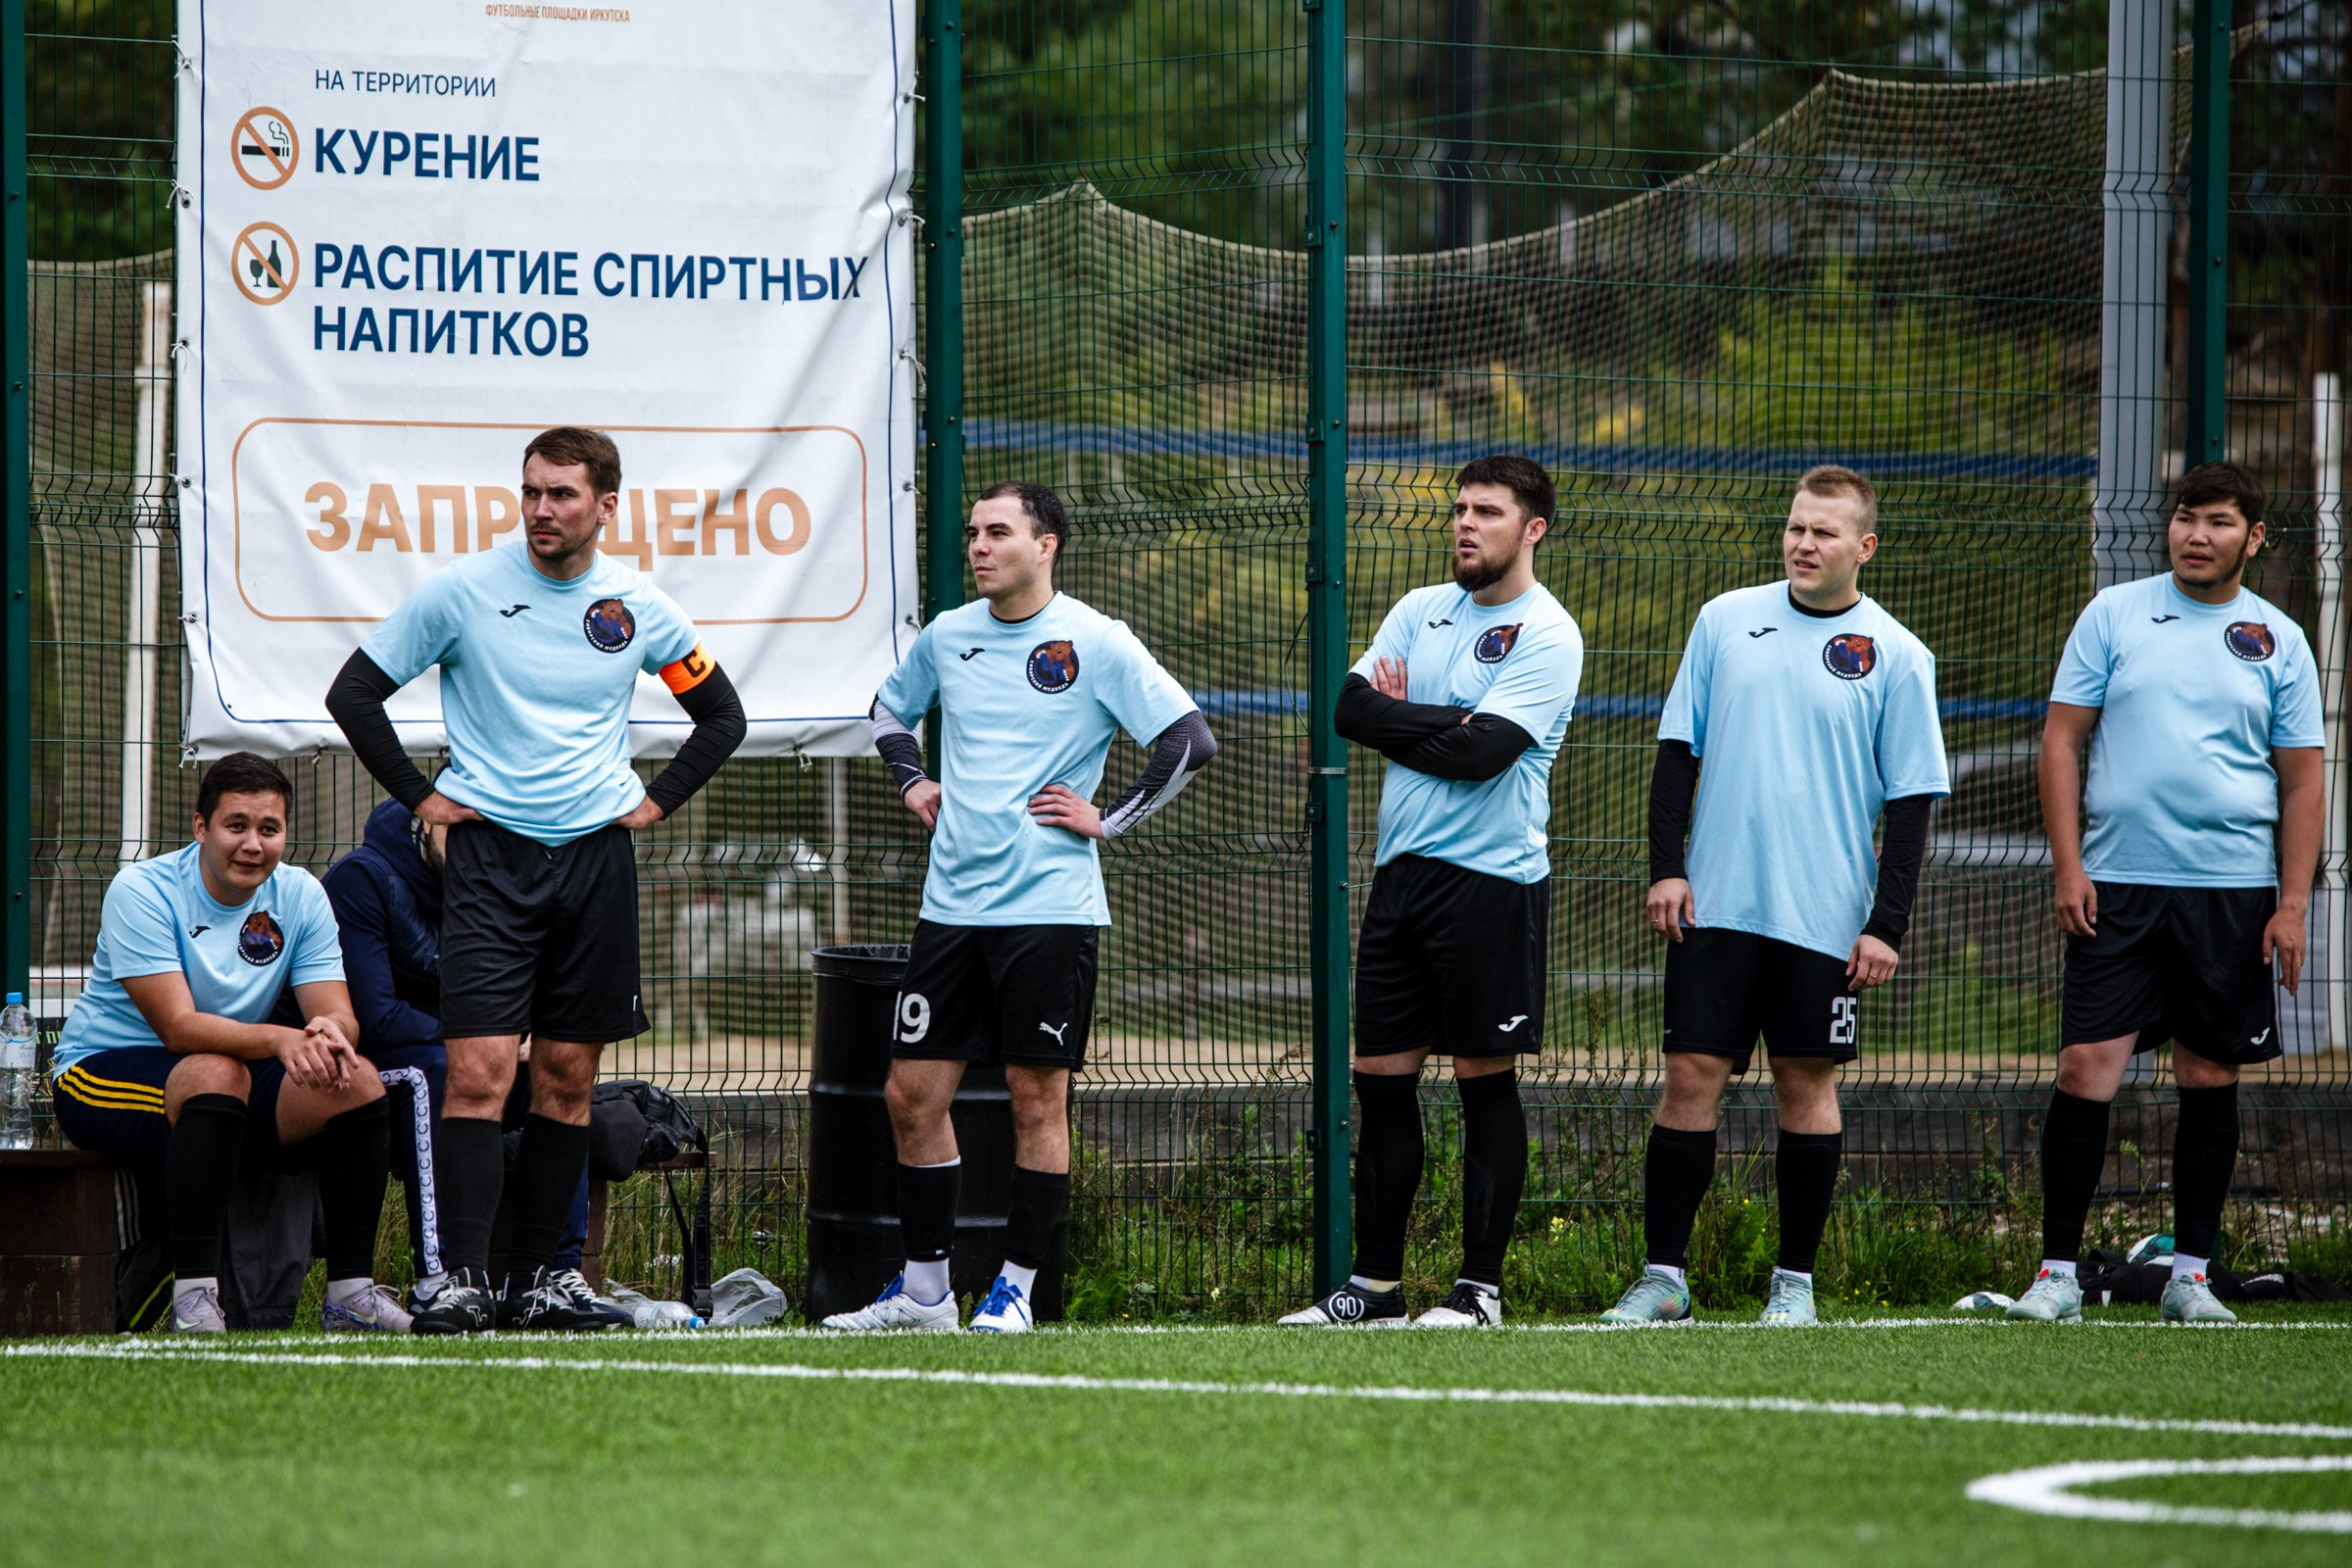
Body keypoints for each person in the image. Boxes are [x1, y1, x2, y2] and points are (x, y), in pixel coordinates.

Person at [326, 426, 746, 1333]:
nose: (543, 509)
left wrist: (654, 804)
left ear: (606, 506)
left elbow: (720, 716)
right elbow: (353, 694)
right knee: (476, 1071)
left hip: (596, 863)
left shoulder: (635, 607)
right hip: (490, 861)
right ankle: (459, 1281)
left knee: (564, 1074)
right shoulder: (464, 592)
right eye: (531, 492)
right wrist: (421, 798)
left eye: (562, 494)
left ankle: (543, 1284)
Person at [822, 480, 1215, 1335]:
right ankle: (926, 1296)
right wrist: (913, 779)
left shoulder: (1096, 641)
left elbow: (1189, 738)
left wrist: (1108, 821)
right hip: (950, 911)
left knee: (1039, 1103)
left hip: (1050, 911)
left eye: (998, 532)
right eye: (971, 533)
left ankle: (1015, 1293)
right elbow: (889, 709)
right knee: (909, 1094)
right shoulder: (949, 636)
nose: (978, 546)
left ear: (1047, 545)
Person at [1602, 466, 1948, 1327]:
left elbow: (1911, 806)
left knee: (1805, 1086)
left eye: (1824, 533)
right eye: (1796, 527)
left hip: (1824, 919)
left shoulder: (1898, 656)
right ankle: (1664, 1280)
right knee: (1688, 1078)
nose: (1803, 543)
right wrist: (1666, 867)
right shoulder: (1725, 621)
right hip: (1714, 907)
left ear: (1863, 549)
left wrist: (1885, 925)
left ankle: (1793, 1286)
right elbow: (1676, 755)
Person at [2007, 463, 2320, 1326]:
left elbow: (2302, 783)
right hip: (2120, 888)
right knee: (2085, 1067)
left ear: (2253, 538)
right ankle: (2057, 1275)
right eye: (2186, 518)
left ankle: (2189, 1277)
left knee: (2208, 1070)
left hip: (2233, 895)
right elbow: (2062, 744)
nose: (2196, 535)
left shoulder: (2279, 639)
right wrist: (2071, 867)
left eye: (2219, 522)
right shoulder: (2114, 615)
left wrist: (2292, 903)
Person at [1277, 455, 1584, 1328]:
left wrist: (1419, 725)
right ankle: (1373, 1290)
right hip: (1401, 878)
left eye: (1486, 512)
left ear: (1532, 530)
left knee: (1483, 1082)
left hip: (1493, 884)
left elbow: (1486, 755)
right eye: (1459, 509)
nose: (1464, 524)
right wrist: (1453, 720)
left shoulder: (1549, 633)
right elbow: (1347, 709)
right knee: (1381, 1084)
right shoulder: (1420, 609)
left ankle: (1478, 1291)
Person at [50, 752, 407, 1333]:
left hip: (226, 1071)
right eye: (236, 825)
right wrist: (281, 1039)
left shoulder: (302, 896)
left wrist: (327, 1034)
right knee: (217, 1072)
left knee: (355, 1079)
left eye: (269, 829)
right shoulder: (141, 889)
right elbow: (178, 1028)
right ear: (201, 827)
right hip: (99, 1073)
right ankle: (195, 1301)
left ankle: (350, 1296)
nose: (253, 844)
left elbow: (338, 1014)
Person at [299, 800, 616, 1323]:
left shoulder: (501, 887)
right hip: (372, 1069)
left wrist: (534, 1039)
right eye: (464, 830)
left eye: (492, 834)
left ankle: (553, 1275)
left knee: (559, 1078)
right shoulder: (363, 878)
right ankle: (441, 1280)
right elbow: (375, 1018)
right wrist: (489, 1042)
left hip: (469, 1053)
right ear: (429, 819)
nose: (477, 847)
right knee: (438, 1072)